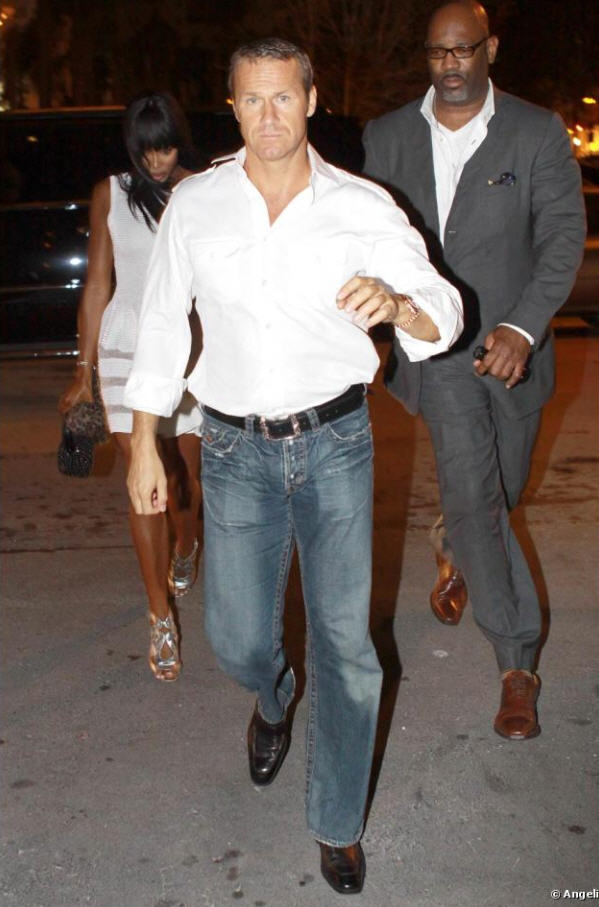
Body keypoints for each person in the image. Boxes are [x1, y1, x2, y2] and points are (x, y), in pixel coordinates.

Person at [124, 38, 462, 894]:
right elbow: (161, 321)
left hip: (336, 443)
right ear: (231, 107)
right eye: (252, 99)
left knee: (348, 646)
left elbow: (444, 307)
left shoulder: (361, 206)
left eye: (283, 97)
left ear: (310, 100)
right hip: (232, 448)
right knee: (236, 638)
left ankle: (336, 822)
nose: (268, 115)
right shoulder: (196, 204)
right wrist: (143, 440)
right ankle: (272, 695)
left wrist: (398, 305)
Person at [363, 1, 586, 739]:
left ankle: (457, 543)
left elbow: (561, 236)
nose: (449, 65)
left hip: (513, 346)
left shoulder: (535, 131)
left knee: (500, 491)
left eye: (462, 50)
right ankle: (516, 663)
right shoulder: (388, 137)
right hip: (439, 351)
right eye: (437, 53)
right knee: (474, 495)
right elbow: (370, 236)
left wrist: (522, 325)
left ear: (490, 48)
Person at [59, 92, 203, 683]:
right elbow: (98, 282)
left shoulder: (200, 189)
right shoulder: (111, 194)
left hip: (189, 347)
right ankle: (159, 615)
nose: (157, 162)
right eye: (146, 151)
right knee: (146, 484)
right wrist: (83, 370)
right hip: (126, 342)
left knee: (186, 481)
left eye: (165, 148)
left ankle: (186, 545)